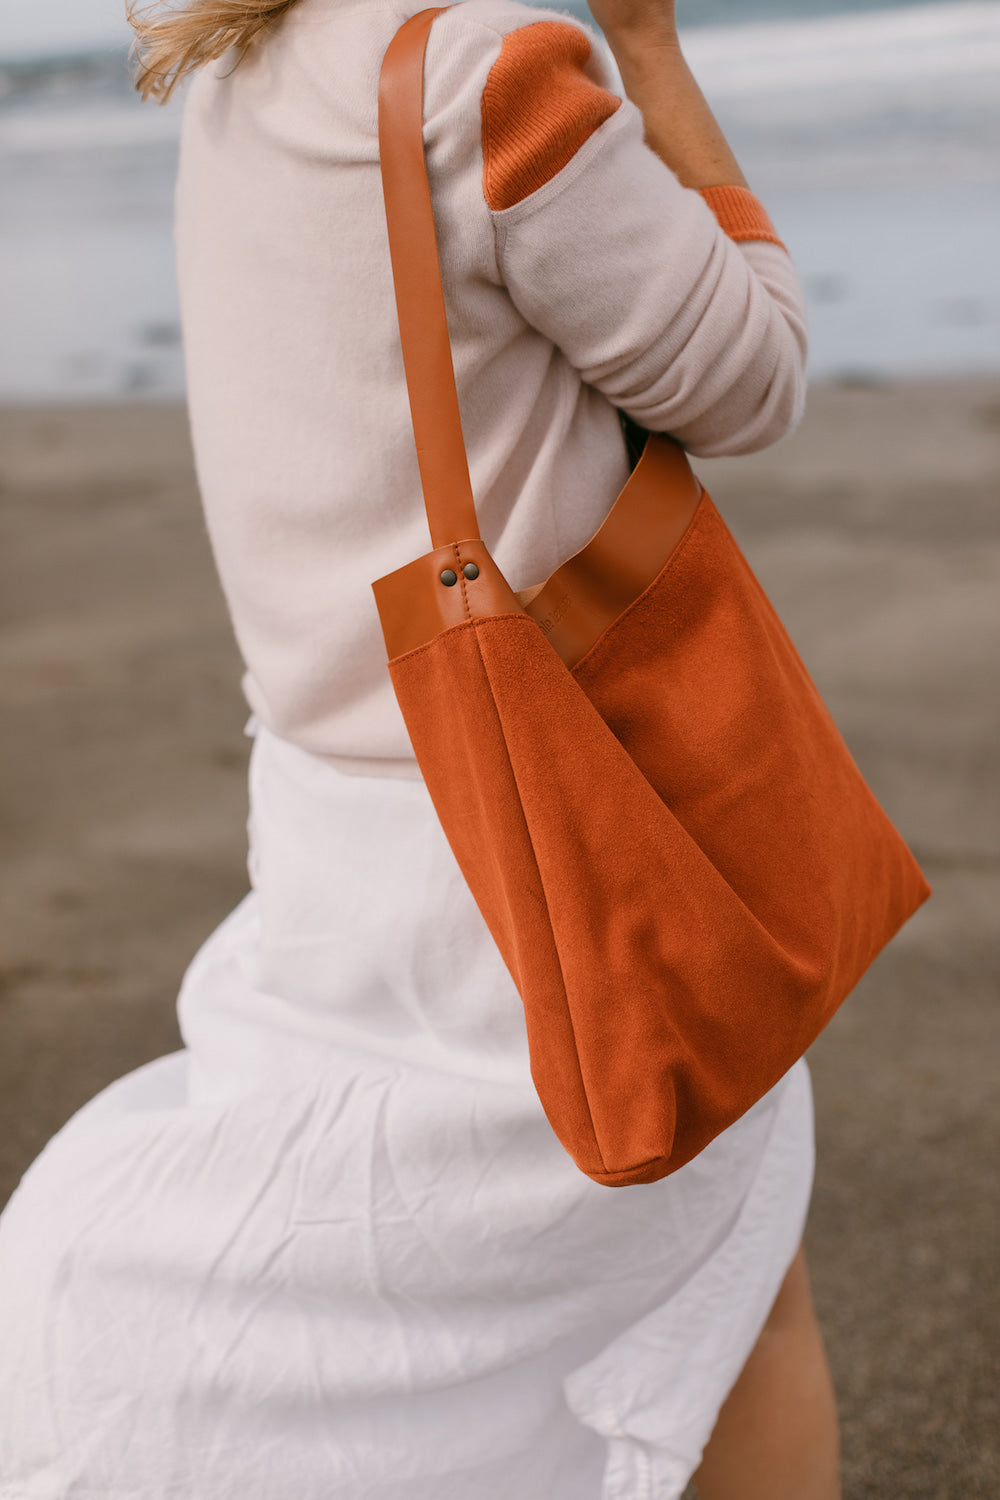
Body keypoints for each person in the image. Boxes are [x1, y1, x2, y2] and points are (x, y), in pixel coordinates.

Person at [0, 0, 840, 1496]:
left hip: (332, 828)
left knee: (386, 1305)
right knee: (723, 1272)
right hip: (552, 830)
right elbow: (755, 373)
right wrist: (646, 43)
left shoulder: (234, 62)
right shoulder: (498, 69)